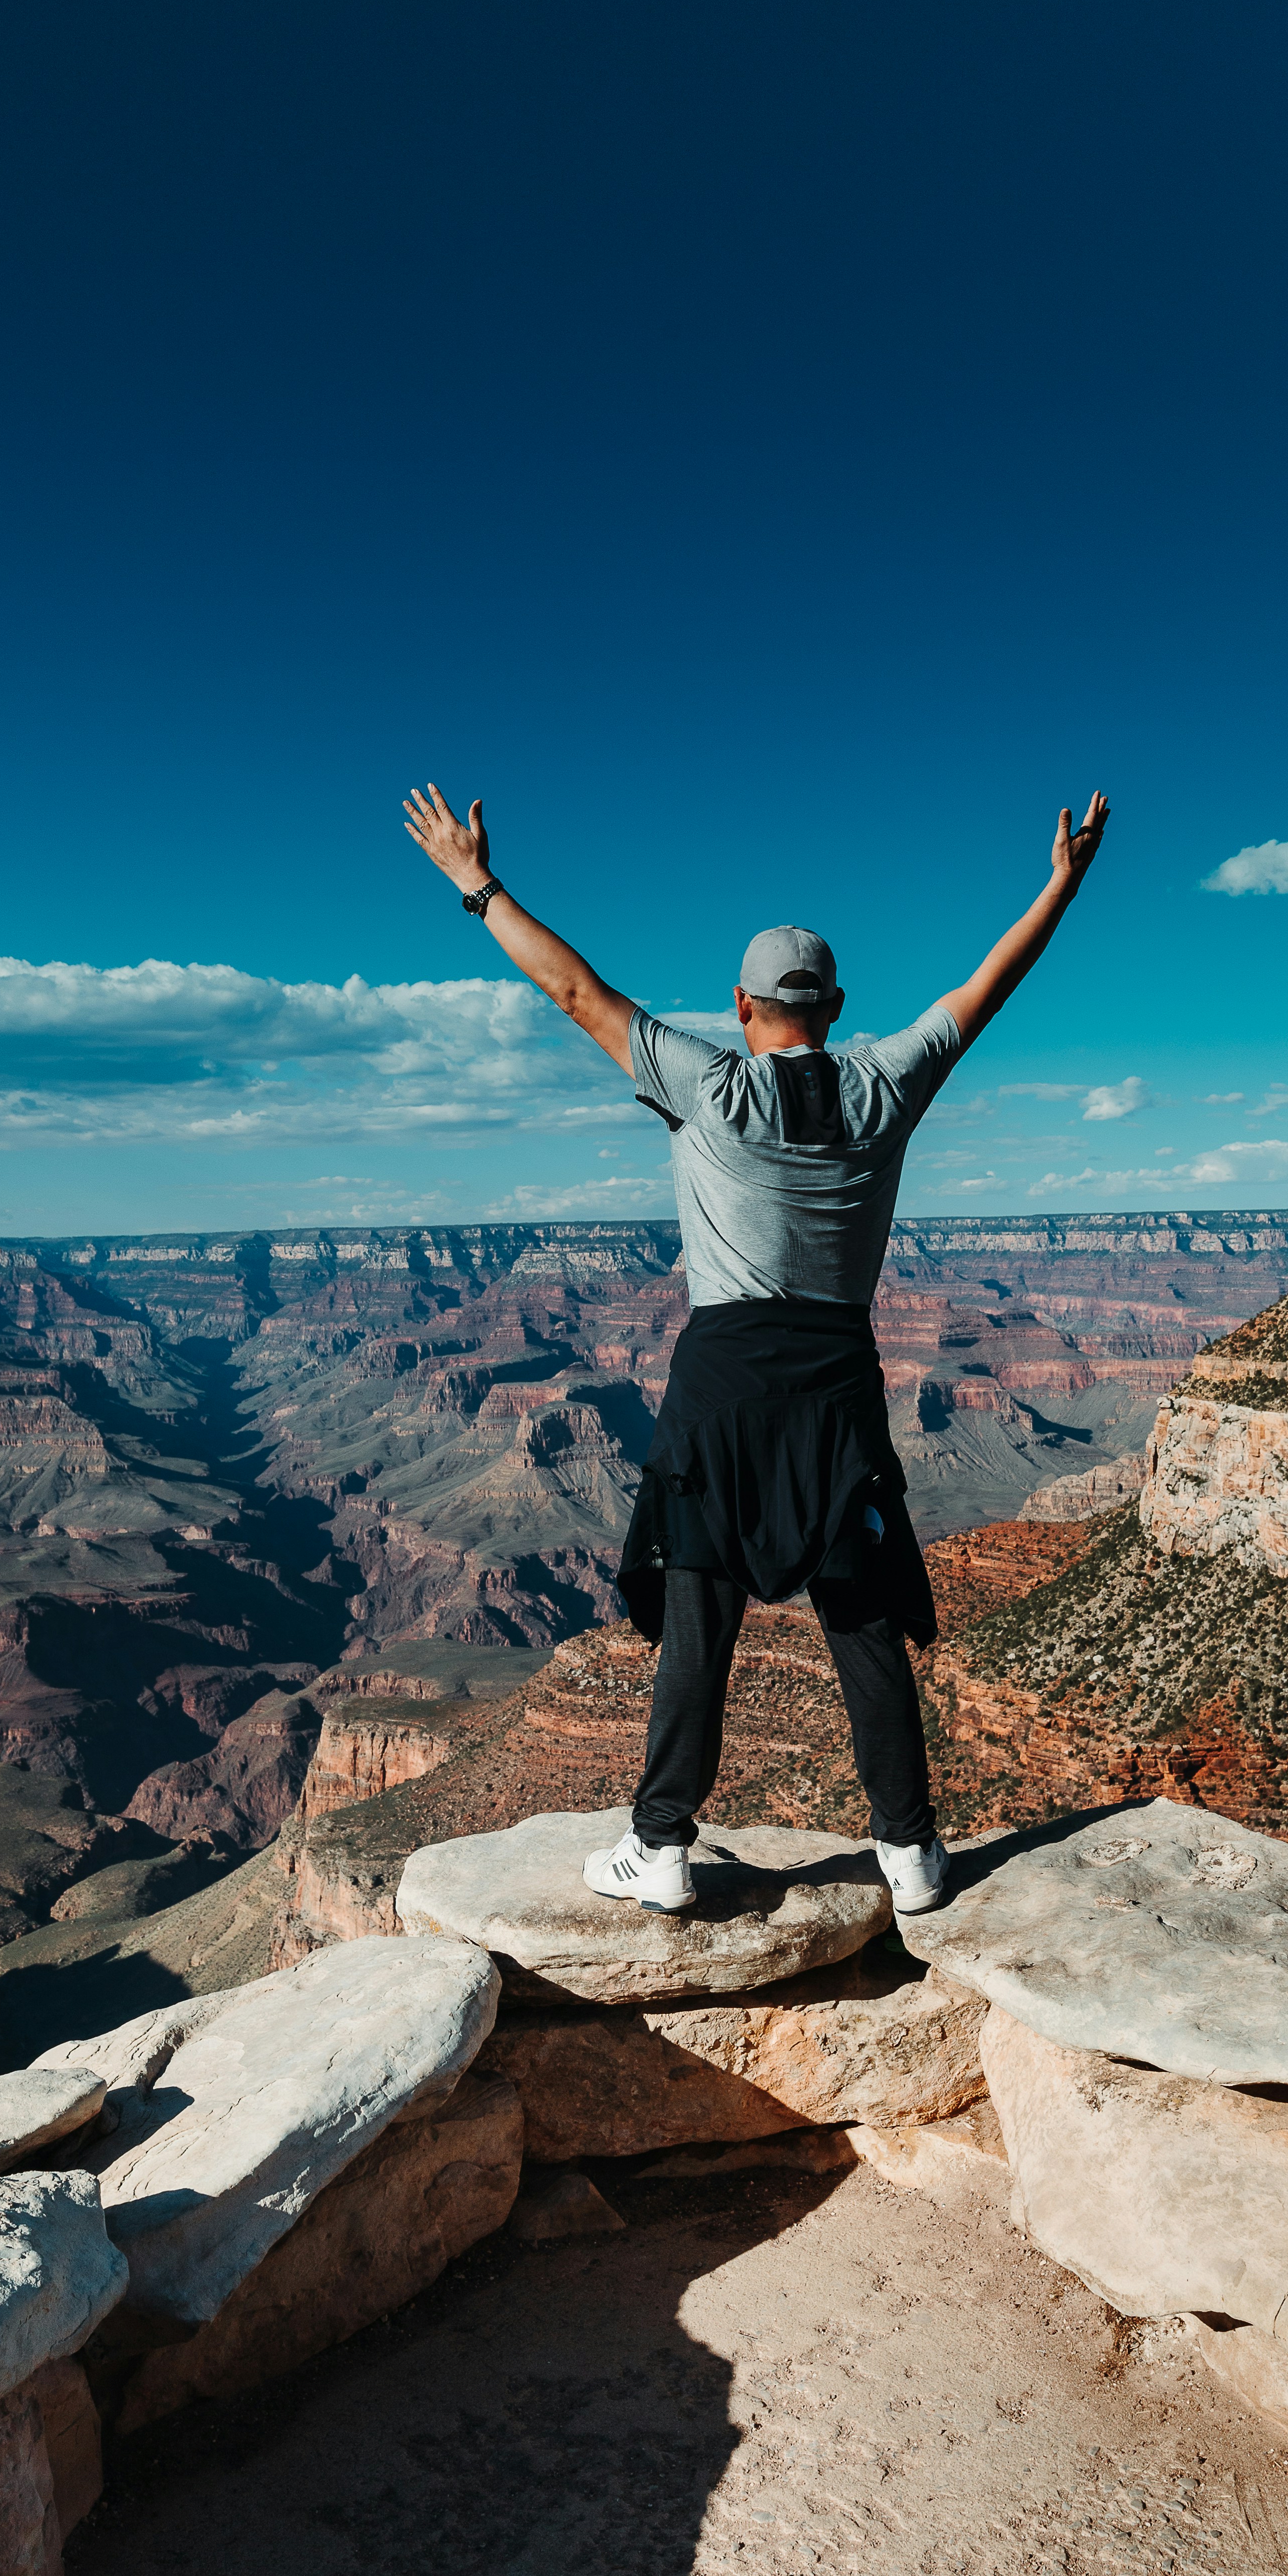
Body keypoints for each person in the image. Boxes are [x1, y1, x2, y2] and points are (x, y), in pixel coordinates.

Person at [401, 779, 1110, 1917]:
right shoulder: (887, 1085)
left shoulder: (707, 1084)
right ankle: (912, 1853)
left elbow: (575, 989)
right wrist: (1060, 885)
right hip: (834, 1381)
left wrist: (474, 884)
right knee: (860, 1609)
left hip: (724, 1383)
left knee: (702, 1607)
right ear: (834, 1008)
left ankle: (662, 1846)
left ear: (742, 1006)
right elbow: (985, 989)